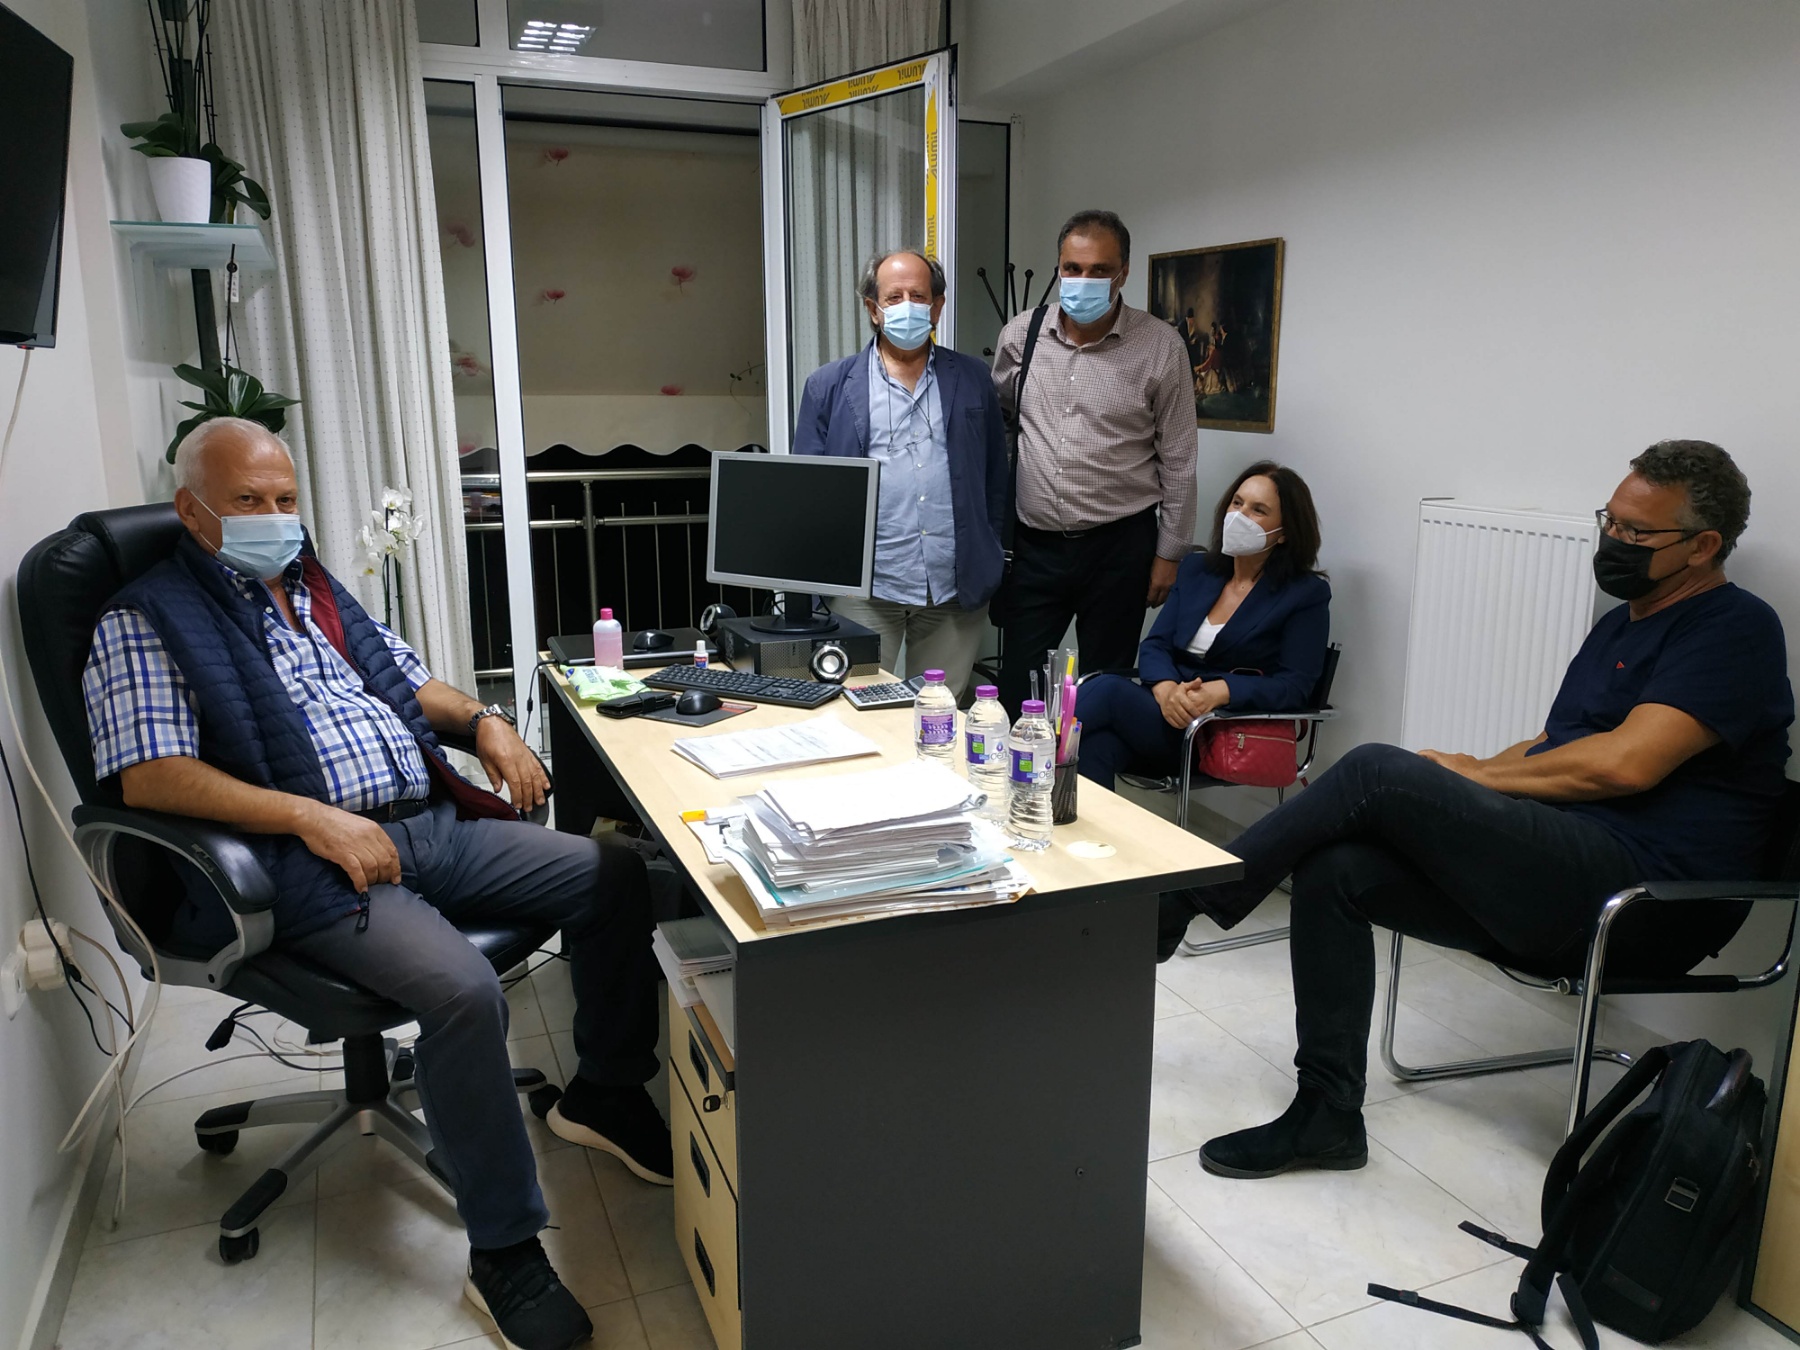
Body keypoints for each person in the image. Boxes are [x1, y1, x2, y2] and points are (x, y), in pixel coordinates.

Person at [81, 418, 667, 1350]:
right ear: (192, 513)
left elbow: (407, 680)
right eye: (248, 502)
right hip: (310, 863)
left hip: (428, 824)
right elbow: (150, 776)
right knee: (463, 991)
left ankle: (602, 1092)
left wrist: (485, 723)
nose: (275, 517)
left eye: (285, 499)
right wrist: (310, 818)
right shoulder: (145, 619)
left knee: (613, 874)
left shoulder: (312, 587)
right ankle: (505, 1253)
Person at [1160, 440, 1792, 1182]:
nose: (1614, 541)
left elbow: (1626, 763)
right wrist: (1467, 771)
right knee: (1338, 870)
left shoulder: (1735, 628)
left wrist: (1474, 779)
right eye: (1610, 521)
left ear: (1703, 546)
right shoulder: (1622, 623)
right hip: (1572, 866)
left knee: (1373, 771)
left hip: (1644, 899)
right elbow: (1556, 745)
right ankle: (1327, 1115)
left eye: (1635, 532)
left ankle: (1179, 903)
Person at [992, 209, 1197, 712]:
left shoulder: (1161, 346)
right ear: (1058, 267)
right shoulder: (1020, 336)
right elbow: (1001, 424)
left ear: (1123, 273)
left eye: (1099, 270)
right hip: (1034, 546)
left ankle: (1089, 768)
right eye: (1073, 268)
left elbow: (1179, 458)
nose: (1083, 280)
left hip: (1119, 549)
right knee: (1019, 688)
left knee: (1104, 691)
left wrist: (1169, 554)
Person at [792, 248, 1008, 696]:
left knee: (937, 715)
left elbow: (995, 478)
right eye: (894, 298)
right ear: (873, 309)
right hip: (864, 590)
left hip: (954, 588)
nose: (907, 306)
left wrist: (992, 552)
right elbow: (807, 495)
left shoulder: (973, 378)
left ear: (937, 306)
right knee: (852, 710)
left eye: (918, 296)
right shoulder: (828, 386)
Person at [1077, 462, 1329, 791]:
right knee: (1095, 746)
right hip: (1162, 716)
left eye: (1258, 510)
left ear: (1284, 533)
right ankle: (1078, 826)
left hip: (1219, 732)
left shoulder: (1304, 594)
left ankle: (1024, 750)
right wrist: (1166, 690)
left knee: (1108, 690)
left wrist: (1221, 690)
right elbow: (1156, 645)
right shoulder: (1197, 569)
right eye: (1237, 503)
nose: (1239, 515)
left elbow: (1295, 686)